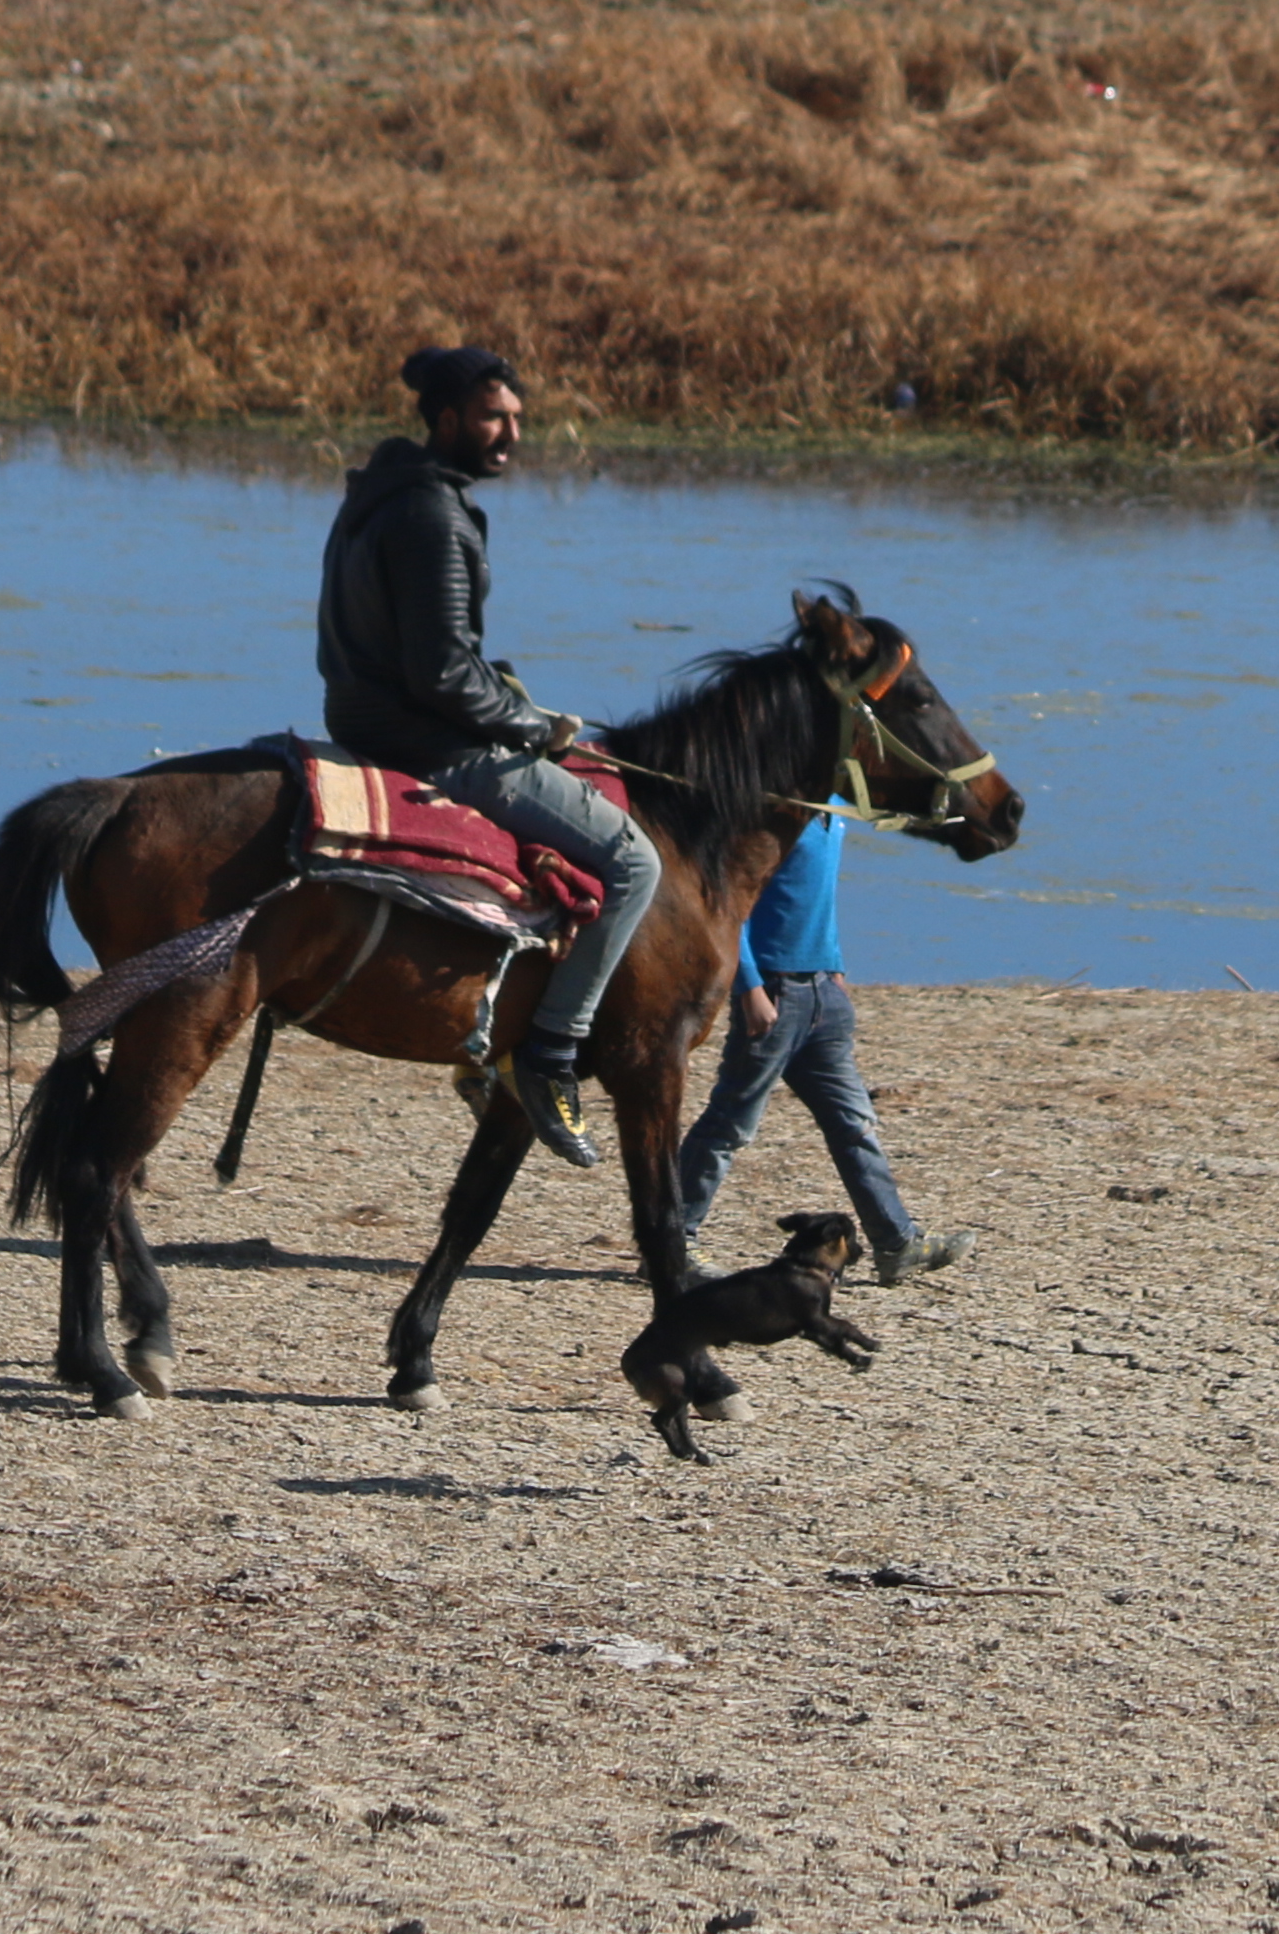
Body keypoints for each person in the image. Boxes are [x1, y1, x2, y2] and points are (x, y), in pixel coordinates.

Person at [313, 344, 658, 1169]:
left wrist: (507, 702)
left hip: (368, 719)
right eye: (493, 417)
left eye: (516, 420)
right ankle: (548, 1055)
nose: (508, 433)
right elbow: (442, 673)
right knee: (632, 860)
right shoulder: (433, 513)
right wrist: (532, 725)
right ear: (446, 420)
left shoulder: (376, 493)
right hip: (431, 743)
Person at [664, 809, 963, 1286]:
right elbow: (728, 902)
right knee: (729, 1124)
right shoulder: (771, 812)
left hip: (824, 991)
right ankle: (671, 1244)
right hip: (776, 992)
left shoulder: (834, 813)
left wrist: (835, 965)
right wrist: (749, 987)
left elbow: (819, 900)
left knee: (855, 1124)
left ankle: (896, 1243)